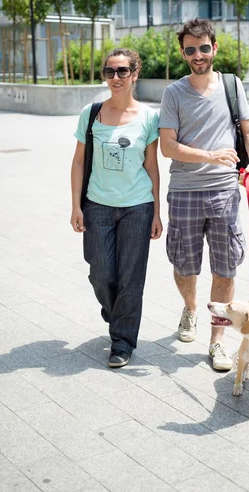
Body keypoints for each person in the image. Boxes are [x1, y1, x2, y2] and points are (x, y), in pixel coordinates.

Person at [159, 18, 249, 372]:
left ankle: (217, 343)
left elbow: (248, 129)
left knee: (225, 267)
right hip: (185, 192)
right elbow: (167, 147)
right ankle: (190, 309)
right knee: (184, 265)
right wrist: (210, 155)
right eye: (190, 49)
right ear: (183, 53)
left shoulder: (232, 85)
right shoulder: (174, 93)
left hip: (224, 193)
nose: (198, 55)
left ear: (214, 48)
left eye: (204, 47)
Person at [70, 48, 162, 368]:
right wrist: (75, 207)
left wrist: (157, 211)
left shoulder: (150, 117)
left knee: (131, 278)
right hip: (97, 205)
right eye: (109, 72)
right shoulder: (92, 112)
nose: (116, 78)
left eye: (122, 71)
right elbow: (79, 160)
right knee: (101, 273)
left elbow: (151, 166)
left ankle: (122, 341)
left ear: (135, 74)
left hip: (137, 206)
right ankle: (115, 312)